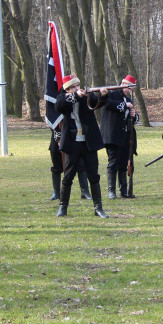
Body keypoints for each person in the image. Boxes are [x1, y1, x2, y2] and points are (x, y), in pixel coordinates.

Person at [55, 74, 109, 217]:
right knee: (68, 176)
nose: (77, 88)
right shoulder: (64, 98)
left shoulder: (87, 96)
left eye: (78, 86)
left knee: (94, 175)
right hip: (72, 143)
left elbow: (98, 103)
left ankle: (98, 208)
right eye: (73, 87)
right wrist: (76, 96)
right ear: (67, 89)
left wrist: (103, 96)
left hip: (88, 142)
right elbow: (59, 105)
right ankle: (63, 207)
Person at [101, 74, 140, 199]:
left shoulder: (128, 100)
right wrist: (125, 107)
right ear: (123, 83)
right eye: (128, 87)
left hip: (125, 135)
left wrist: (134, 115)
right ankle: (111, 191)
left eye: (130, 89)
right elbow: (108, 104)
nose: (129, 91)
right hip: (113, 134)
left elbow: (131, 118)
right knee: (113, 163)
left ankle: (123, 191)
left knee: (123, 163)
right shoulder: (111, 94)